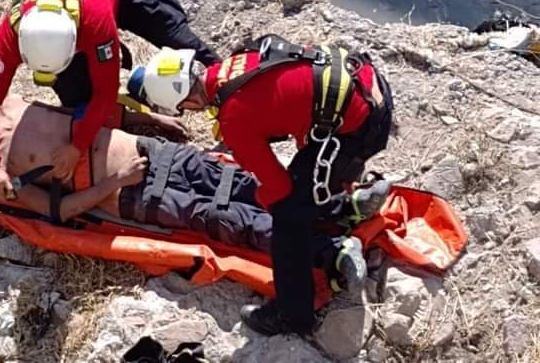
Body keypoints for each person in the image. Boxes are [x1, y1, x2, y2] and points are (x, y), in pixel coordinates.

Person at [0, 95, 386, 279]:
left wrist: (148, 120)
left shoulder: (10, 101)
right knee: (222, 217)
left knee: (238, 181)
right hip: (130, 192)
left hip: (150, 150)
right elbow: (58, 213)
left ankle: (336, 212)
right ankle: (328, 255)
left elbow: (89, 110)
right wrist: (117, 180)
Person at [129, 34, 394, 336]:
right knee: (300, 190)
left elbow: (278, 189)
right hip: (368, 86)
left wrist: (263, 197)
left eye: (185, 108)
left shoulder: (235, 119)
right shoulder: (236, 62)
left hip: (360, 126)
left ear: (188, 100)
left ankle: (294, 317)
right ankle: (349, 208)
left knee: (287, 219)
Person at [0, 0, 221, 201]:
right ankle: (141, 92)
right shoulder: (13, 32)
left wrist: (76, 148)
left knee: (180, 40)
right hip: (72, 9)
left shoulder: (96, 23)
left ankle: (231, 93)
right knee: (79, 97)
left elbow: (105, 92)